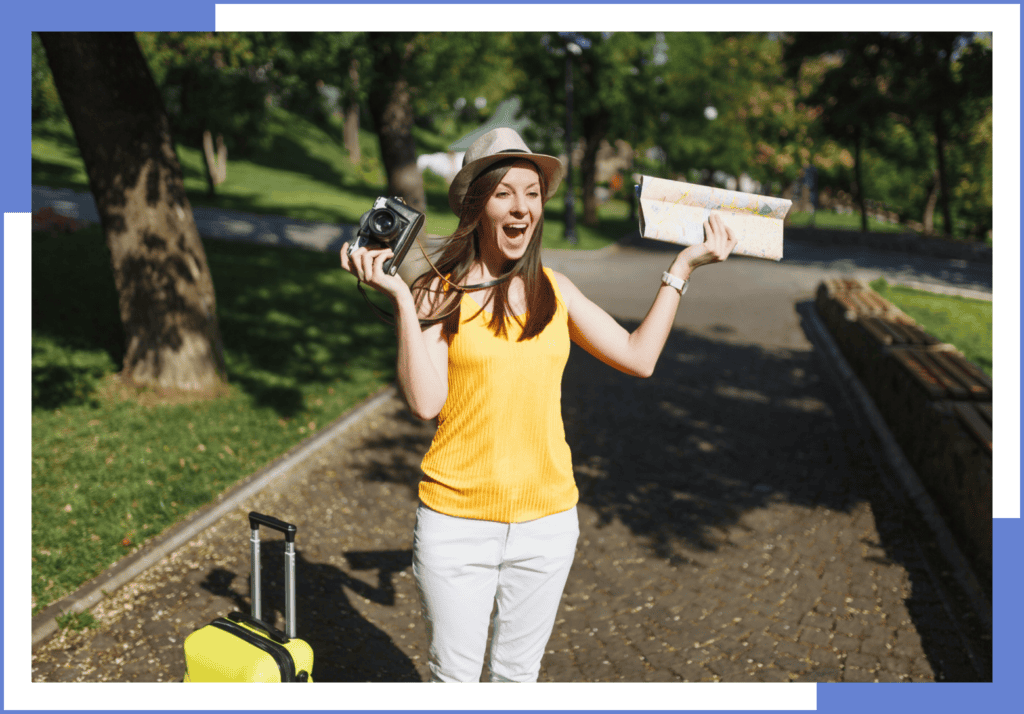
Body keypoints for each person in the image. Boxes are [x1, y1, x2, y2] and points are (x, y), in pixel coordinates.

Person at [340, 127, 736, 683]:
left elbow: (638, 356)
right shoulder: (440, 291)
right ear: (476, 207)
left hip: (547, 526)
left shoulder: (558, 290)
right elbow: (426, 402)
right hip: (457, 525)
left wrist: (683, 268)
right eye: (504, 193)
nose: (521, 207)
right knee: (454, 679)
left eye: (531, 192)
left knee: (516, 679)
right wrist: (404, 300)